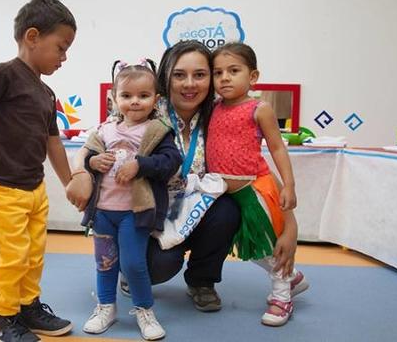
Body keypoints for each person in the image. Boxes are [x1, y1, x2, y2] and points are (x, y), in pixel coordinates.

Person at [68, 40, 242, 313]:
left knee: (227, 211)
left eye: (199, 75)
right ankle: (130, 269)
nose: (189, 84)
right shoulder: (144, 111)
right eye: (179, 75)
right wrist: (81, 170)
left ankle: (202, 282)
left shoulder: (218, 115)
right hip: (148, 210)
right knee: (156, 266)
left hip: (193, 209)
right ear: (165, 79)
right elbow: (93, 142)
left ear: (210, 78)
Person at [0, 0, 76, 342]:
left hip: (34, 189)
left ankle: (28, 306)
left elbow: (52, 142)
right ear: (32, 37)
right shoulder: (2, 75)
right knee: (12, 256)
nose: (64, 57)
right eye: (61, 47)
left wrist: (71, 183)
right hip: (3, 188)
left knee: (34, 254)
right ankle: (4, 316)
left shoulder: (47, 93)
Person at [207, 41, 308, 326]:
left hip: (255, 188)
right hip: (227, 195)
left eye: (233, 70)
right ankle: (292, 277)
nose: (224, 77)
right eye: (218, 72)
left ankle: (281, 297)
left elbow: (277, 148)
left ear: (253, 76)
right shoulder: (213, 108)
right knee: (251, 248)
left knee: (271, 245)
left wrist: (288, 185)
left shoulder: (259, 109)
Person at [79, 60, 182, 340]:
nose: (135, 102)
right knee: (105, 263)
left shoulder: (158, 130)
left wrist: (141, 165)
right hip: (102, 211)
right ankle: (106, 308)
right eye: (126, 96)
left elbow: (172, 161)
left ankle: (144, 310)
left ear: (155, 99)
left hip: (134, 212)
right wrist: (93, 160)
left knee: (134, 263)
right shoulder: (104, 130)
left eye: (143, 96)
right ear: (113, 98)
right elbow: (86, 157)